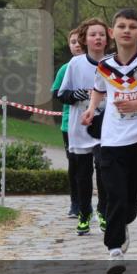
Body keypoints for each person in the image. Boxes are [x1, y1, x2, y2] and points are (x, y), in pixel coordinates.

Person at [81, 8, 137, 274]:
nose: (126, 30)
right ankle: (114, 250)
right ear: (112, 32)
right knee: (115, 195)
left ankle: (124, 222)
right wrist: (91, 108)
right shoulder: (105, 65)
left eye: (132, 26)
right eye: (121, 26)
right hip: (111, 139)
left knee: (130, 201)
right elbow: (98, 88)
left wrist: (136, 104)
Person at [57, 18, 110, 235]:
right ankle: (84, 211)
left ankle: (103, 211)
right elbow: (61, 94)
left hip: (106, 126)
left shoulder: (114, 64)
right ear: (84, 39)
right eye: (92, 34)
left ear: (107, 39)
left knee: (103, 168)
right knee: (82, 173)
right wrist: (78, 94)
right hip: (80, 125)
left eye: (101, 34)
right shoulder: (75, 64)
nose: (97, 38)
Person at [52, 28, 83, 217]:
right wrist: (73, 96)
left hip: (97, 123)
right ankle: (76, 203)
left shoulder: (100, 64)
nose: (77, 44)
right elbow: (56, 93)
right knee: (75, 164)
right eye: (73, 42)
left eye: (80, 40)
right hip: (70, 124)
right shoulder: (66, 68)